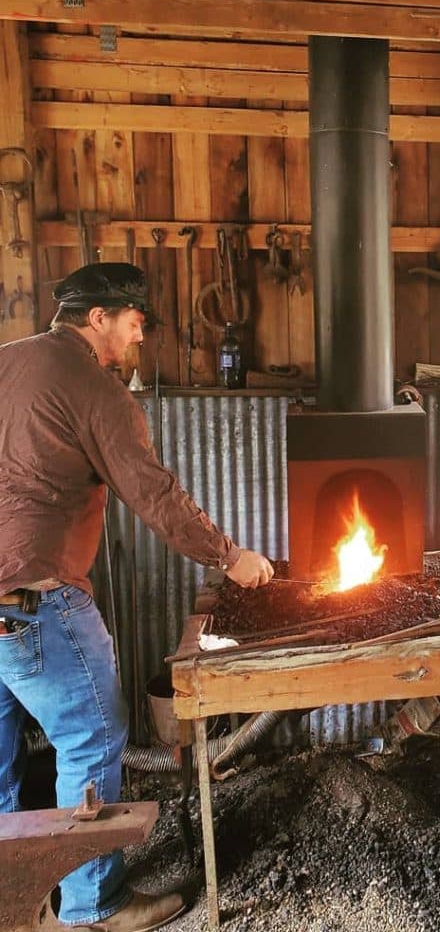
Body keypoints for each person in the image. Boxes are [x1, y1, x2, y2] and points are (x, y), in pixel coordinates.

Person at [0, 263, 275, 931]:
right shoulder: (96, 389)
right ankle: (93, 907)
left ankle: (13, 892)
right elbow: (154, 494)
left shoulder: (8, 361)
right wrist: (229, 556)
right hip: (40, 602)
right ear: (98, 318)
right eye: (134, 322)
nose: (139, 337)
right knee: (91, 741)